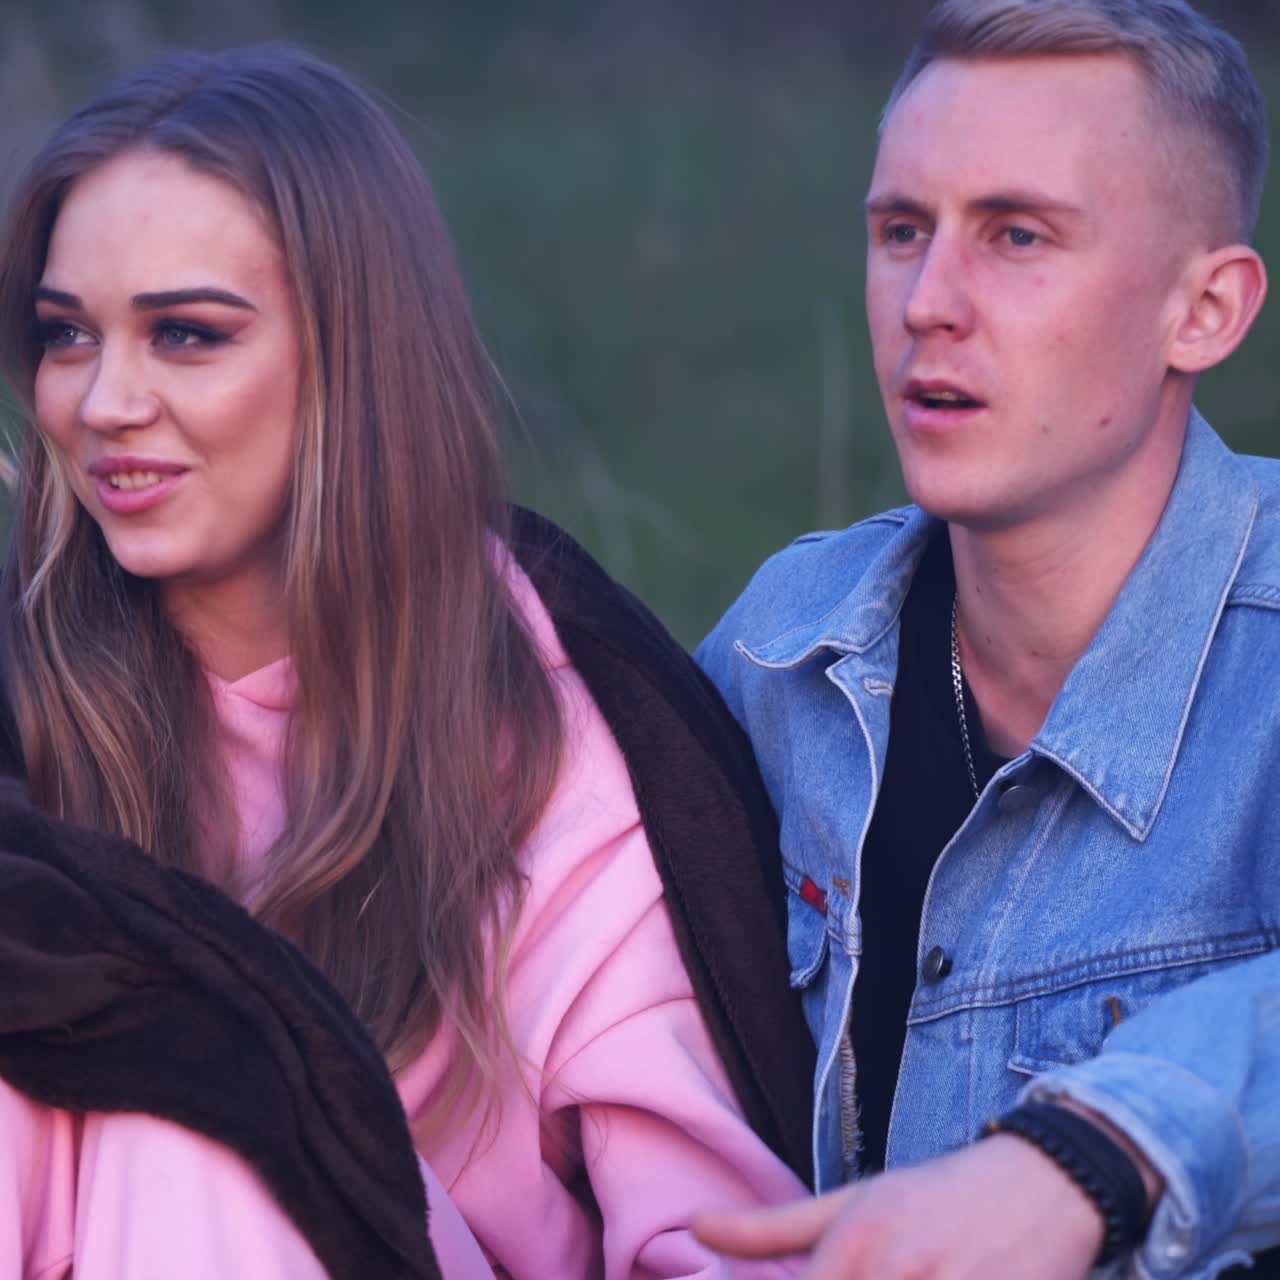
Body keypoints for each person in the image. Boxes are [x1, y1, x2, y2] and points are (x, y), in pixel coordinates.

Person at [0, 43, 814, 1279]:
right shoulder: (25, 685)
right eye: (68, 335)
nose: (105, 401)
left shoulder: (537, 727)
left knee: (205, 1100)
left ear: (350, 353)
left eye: (185, 334)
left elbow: (710, 1236)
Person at [693, 1, 1280, 1276]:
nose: (926, 301)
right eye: (901, 231)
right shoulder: (782, 652)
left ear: (1205, 310)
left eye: (1016, 235)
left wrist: (1095, 1152)